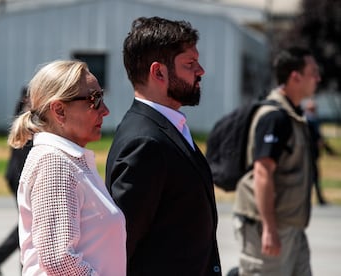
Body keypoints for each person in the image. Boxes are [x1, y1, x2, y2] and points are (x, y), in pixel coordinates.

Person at [105, 16, 222, 275]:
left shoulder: (166, 128)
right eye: (190, 64)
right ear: (158, 72)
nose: (200, 70)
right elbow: (121, 244)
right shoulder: (145, 142)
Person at [8, 60, 126, 275]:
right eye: (95, 100)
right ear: (59, 110)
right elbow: (58, 260)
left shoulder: (67, 159)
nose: (105, 110)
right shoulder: (55, 163)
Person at [233, 46, 321, 275]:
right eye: (313, 72)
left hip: (292, 228)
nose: (318, 78)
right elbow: (262, 173)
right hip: (267, 227)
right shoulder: (275, 117)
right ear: (295, 76)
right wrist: (269, 228)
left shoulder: (294, 114)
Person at [0, 86, 32, 275]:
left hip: (16, 176)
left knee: (27, 223)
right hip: (20, 178)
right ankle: (2, 256)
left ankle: (0, 255)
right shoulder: (26, 121)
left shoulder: (22, 117)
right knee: (29, 224)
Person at [304, 98, 336, 205]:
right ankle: (319, 199)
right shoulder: (312, 120)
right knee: (313, 176)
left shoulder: (304, 119)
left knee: (310, 176)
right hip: (311, 152)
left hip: (306, 153)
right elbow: (319, 138)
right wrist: (329, 150)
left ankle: (316, 198)